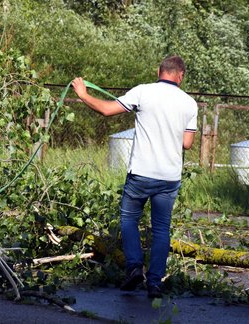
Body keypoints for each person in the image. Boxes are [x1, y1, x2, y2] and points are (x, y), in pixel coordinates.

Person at [71, 55, 198, 299]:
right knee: (161, 229)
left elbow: (108, 110)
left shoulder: (143, 92)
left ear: (158, 71)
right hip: (169, 177)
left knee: (129, 219)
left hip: (141, 172)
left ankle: (134, 268)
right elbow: (188, 143)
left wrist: (84, 94)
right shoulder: (189, 103)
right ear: (180, 75)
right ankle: (155, 283)